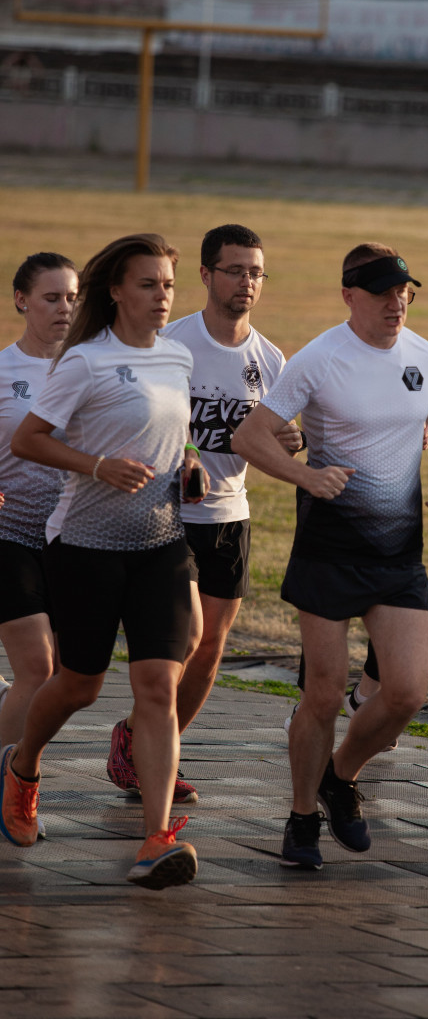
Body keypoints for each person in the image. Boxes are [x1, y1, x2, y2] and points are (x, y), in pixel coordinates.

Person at [232, 243, 428, 870]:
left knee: (409, 692)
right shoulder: (320, 358)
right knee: (325, 694)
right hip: (330, 551)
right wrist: (305, 478)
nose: (398, 303)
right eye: (384, 292)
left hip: (397, 555)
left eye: (406, 291)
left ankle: (340, 776)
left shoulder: (426, 356)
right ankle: (302, 817)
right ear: (348, 295)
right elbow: (250, 435)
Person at [0, 233, 204, 890]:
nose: (161, 297)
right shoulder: (84, 362)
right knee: (78, 685)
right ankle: (22, 765)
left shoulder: (177, 356)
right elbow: (30, 440)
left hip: (161, 544)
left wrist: (190, 464)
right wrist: (96, 466)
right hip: (83, 547)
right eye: (148, 285)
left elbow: (173, 432)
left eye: (168, 285)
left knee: (157, 686)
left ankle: (156, 837)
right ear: (116, 290)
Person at [106, 223, 298, 803]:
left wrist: (290, 443)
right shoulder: (173, 342)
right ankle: (143, 751)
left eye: (256, 272)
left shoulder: (270, 358)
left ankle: (147, 749)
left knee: (211, 646)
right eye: (235, 270)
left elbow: (274, 439)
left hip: (230, 517)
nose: (247, 282)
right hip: (166, 515)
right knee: (181, 641)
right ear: (206, 274)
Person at [0, 254, 78, 761]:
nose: (65, 309)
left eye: (73, 298)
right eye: (52, 298)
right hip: (7, 534)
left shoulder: (89, 366)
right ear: (21, 301)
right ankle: (12, 786)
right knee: (38, 668)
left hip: (71, 539)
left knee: (69, 679)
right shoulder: (4, 369)